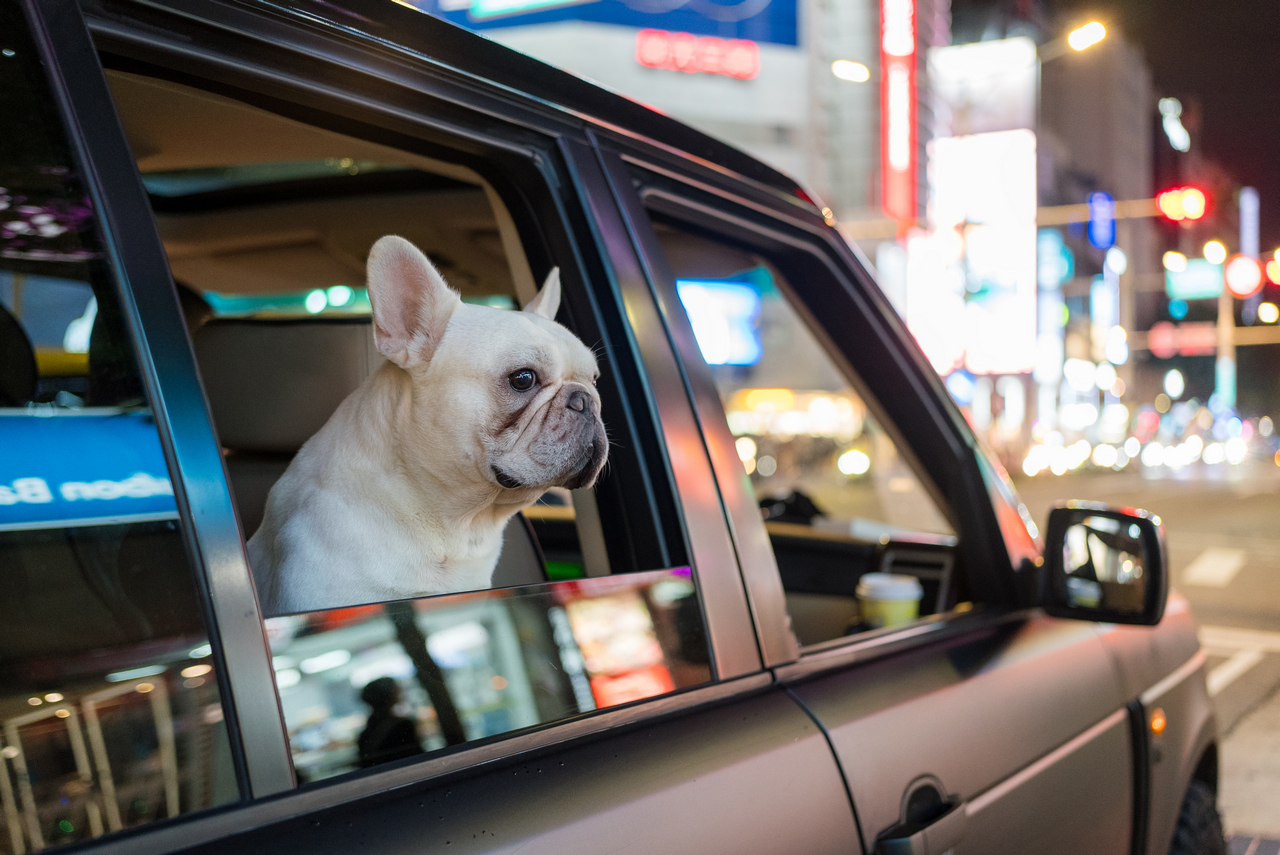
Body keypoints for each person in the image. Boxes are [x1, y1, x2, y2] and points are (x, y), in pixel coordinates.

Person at [356, 677, 424, 768]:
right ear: (389, 696)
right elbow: (418, 759)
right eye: (396, 690)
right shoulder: (403, 726)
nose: (400, 692)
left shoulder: (365, 734)